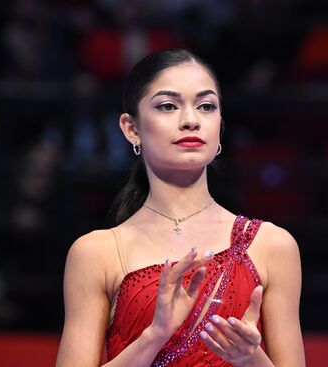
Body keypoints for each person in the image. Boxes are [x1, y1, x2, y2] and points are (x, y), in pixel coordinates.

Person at [56, 49, 305, 366]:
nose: (190, 120)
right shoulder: (96, 252)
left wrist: (251, 357)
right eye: (168, 106)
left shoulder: (271, 245)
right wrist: (154, 336)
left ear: (219, 127)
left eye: (206, 106)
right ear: (132, 128)